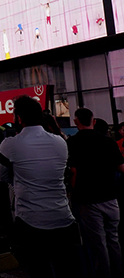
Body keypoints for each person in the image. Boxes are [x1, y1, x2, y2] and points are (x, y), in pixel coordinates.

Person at [0, 96, 80, 277]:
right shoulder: (60, 142)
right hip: (63, 218)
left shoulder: (10, 145)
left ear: (19, 118)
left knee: (39, 271)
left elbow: (2, 177)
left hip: (31, 222)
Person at [68, 108, 124, 278]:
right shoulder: (108, 142)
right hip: (110, 197)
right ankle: (117, 272)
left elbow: (74, 171)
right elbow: (121, 167)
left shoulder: (73, 143)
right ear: (93, 121)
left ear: (76, 121)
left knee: (98, 242)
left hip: (87, 198)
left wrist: (72, 192)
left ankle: (104, 274)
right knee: (113, 238)